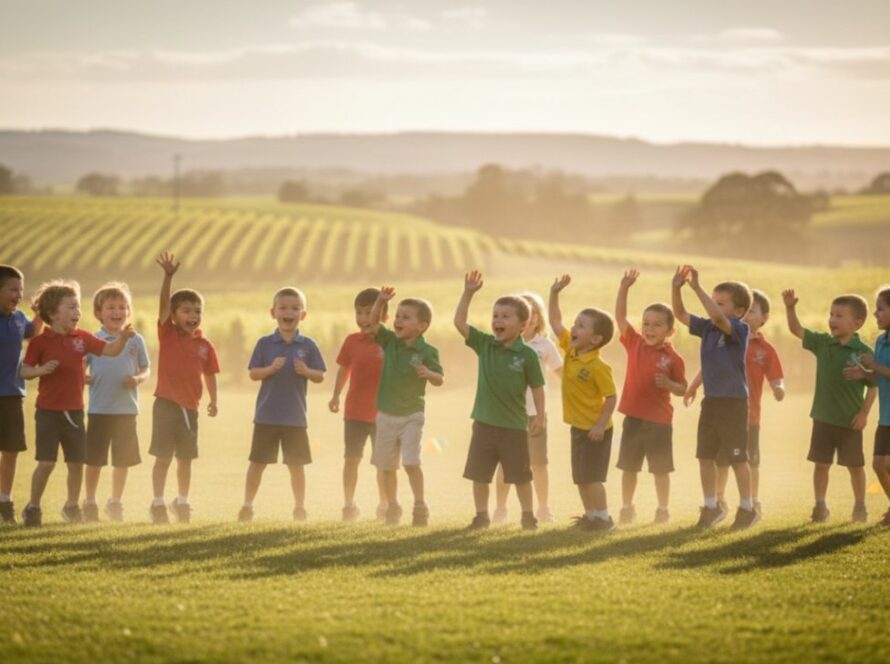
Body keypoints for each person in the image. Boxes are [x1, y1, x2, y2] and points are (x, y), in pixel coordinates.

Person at [20, 280, 133, 527]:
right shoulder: (39, 342)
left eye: (78, 307)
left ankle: (72, 506)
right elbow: (25, 371)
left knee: (75, 463)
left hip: (75, 412)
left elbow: (112, 351)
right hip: (48, 413)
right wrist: (40, 370)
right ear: (52, 313)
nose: (77, 312)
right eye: (71, 308)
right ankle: (33, 506)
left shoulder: (82, 338)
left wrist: (123, 339)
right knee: (47, 463)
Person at [456, 271, 544, 531]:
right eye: (495, 316)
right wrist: (468, 293)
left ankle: (528, 516)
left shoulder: (527, 355)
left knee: (520, 476)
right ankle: (481, 516)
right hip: (483, 423)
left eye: (505, 316)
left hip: (514, 426)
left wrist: (540, 416)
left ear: (523, 324)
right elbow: (460, 322)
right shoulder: (484, 344)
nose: (498, 320)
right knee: (479, 474)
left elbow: (538, 387)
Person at [672, 265, 758, 530]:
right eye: (713, 300)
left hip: (733, 403)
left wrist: (696, 287)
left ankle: (747, 508)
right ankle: (711, 506)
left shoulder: (739, 329)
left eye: (720, 303)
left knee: (737, 458)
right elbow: (680, 314)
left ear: (740, 311)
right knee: (705, 456)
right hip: (712, 402)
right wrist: (676, 288)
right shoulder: (708, 327)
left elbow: (720, 319)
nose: (714, 307)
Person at [687, 289, 784, 517]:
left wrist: (779, 388)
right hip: (719, 407)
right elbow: (710, 366)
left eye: (753, 311)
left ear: (764, 318)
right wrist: (693, 386)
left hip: (749, 414)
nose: (749, 316)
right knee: (720, 460)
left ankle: (753, 501)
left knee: (749, 461)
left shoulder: (762, 347)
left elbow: (776, 377)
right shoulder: (722, 336)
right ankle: (718, 500)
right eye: (747, 311)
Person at [785, 289, 875, 522]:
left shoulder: (864, 353)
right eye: (831, 314)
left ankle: (860, 506)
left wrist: (864, 413)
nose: (832, 320)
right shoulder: (823, 343)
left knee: (855, 467)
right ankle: (820, 506)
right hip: (823, 418)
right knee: (821, 464)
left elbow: (873, 385)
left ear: (857, 323)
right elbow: (796, 330)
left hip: (850, 421)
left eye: (839, 316)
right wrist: (790, 308)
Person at [239, 287, 325, 522]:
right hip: (266, 416)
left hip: (295, 418)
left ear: (303, 315)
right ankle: (247, 506)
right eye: (284, 308)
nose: (289, 312)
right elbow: (253, 374)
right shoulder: (265, 344)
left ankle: (299, 507)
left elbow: (320, 376)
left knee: (296, 465)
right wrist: (270, 369)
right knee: (257, 463)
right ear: (273, 312)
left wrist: (306, 371)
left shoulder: (308, 345)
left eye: (295, 308)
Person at [149, 252, 219, 524]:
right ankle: (157, 503)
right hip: (165, 405)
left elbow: (210, 374)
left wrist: (214, 400)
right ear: (175, 315)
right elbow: (162, 305)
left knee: (185, 459)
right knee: (163, 457)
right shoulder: (167, 333)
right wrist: (168, 277)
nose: (193, 316)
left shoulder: (205, 345)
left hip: (191, 409)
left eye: (197, 311)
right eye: (187, 311)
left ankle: (183, 501)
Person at [615, 269, 687, 525]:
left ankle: (662, 509)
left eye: (657, 324)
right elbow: (620, 317)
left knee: (660, 469)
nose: (649, 328)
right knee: (628, 467)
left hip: (659, 422)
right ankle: (626, 507)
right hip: (633, 418)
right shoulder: (634, 343)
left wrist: (669, 383)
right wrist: (624, 288)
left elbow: (683, 388)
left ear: (670, 331)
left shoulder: (674, 358)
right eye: (646, 323)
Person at [369, 287, 443, 526]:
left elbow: (439, 379)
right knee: (387, 466)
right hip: (386, 415)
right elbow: (372, 322)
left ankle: (420, 505)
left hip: (412, 414)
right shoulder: (390, 341)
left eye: (405, 317)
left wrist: (428, 372)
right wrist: (380, 301)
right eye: (397, 316)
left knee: (411, 462)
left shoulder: (428, 351)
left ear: (421, 326)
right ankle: (393, 505)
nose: (398, 320)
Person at [550, 274, 618, 532]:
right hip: (578, 427)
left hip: (596, 430)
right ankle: (590, 517)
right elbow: (555, 322)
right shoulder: (571, 350)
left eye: (581, 326)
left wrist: (600, 425)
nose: (574, 328)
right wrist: (555, 292)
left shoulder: (599, 367)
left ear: (596, 339)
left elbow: (611, 397)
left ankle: (604, 518)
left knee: (592, 478)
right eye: (576, 323)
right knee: (580, 478)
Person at [493, 292, 562, 525]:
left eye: (533, 314)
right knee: (505, 463)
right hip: (508, 413)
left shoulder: (545, 346)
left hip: (536, 413)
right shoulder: (502, 344)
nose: (530, 318)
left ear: (536, 318)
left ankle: (543, 507)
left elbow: (562, 375)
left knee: (538, 463)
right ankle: (500, 508)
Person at [83, 282, 150, 522]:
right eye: (111, 307)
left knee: (122, 460)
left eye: (122, 307)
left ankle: (115, 502)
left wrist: (138, 379)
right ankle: (90, 502)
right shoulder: (92, 340)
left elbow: (146, 368)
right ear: (99, 313)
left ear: (128, 312)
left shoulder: (136, 340)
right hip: (100, 409)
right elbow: (82, 365)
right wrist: (83, 377)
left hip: (126, 410)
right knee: (94, 459)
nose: (117, 311)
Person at [329, 288, 388, 522]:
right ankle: (349, 504)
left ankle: (384, 504)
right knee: (351, 458)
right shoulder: (352, 342)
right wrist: (335, 395)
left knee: (382, 463)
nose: (364, 318)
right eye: (359, 312)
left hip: (384, 414)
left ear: (383, 316)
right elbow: (344, 369)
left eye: (370, 312)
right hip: (354, 413)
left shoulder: (391, 342)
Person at [0, 265, 42, 524]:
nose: (18, 295)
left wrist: (38, 314)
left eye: (21, 290)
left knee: (11, 450)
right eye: (13, 289)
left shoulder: (18, 318)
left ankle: (5, 500)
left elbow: (32, 332)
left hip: (13, 394)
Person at [847, 286, 890, 525]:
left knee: (888, 463)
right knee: (878, 465)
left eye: (881, 309)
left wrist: (873, 364)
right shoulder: (881, 341)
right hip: (885, 418)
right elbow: (879, 377)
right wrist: (864, 373)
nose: (876, 314)